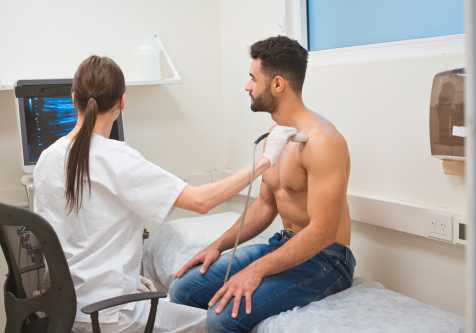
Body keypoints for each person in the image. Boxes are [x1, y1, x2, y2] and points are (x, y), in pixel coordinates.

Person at [33, 55, 297, 333]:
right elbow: (201, 201)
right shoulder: (118, 158)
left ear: (74, 98)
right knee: (215, 325)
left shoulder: (47, 157)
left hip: (66, 311)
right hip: (112, 315)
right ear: (122, 103)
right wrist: (266, 159)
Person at [169, 35, 356, 333]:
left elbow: (322, 232)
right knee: (184, 289)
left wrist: (255, 270)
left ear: (278, 84)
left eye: (252, 78)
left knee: (223, 318)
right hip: (284, 243)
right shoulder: (276, 137)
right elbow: (265, 205)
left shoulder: (324, 142)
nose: (247, 86)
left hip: (327, 259)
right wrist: (217, 246)